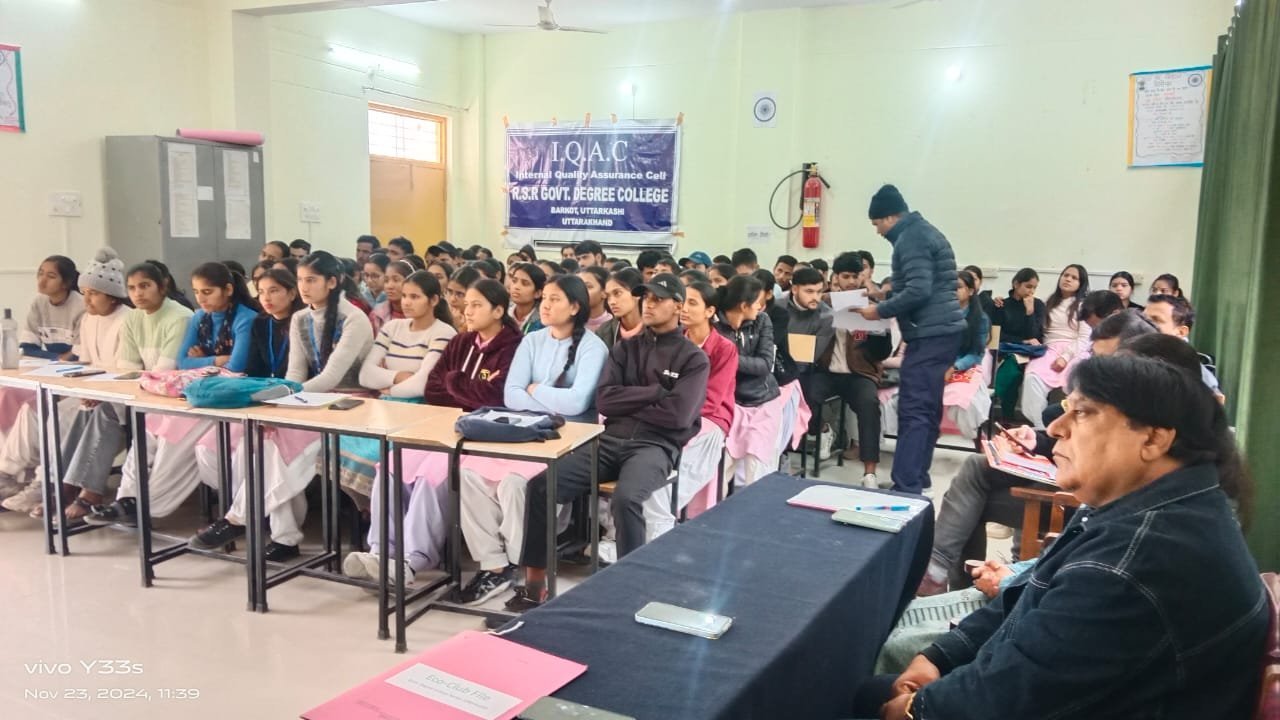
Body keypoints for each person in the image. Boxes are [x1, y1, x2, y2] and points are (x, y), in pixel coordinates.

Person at [861, 353, 1265, 720]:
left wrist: (917, 710)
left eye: (1083, 413)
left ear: (1154, 439)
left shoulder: (1139, 561)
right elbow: (1026, 596)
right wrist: (940, 656)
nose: (1055, 428)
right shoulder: (1135, 505)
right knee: (868, 689)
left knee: (852, 691)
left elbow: (1011, 696)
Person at [918, 310, 1157, 594]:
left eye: (1106, 360)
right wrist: (1036, 440)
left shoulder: (1139, 417)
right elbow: (1059, 425)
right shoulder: (1105, 394)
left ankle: (955, 582)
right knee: (975, 472)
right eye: (1094, 357)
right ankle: (949, 578)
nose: (1097, 368)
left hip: (1077, 502)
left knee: (971, 500)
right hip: (1064, 482)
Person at [511, 273, 710, 611]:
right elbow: (606, 402)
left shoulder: (693, 358)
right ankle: (534, 587)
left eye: (658, 299)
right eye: (646, 298)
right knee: (541, 486)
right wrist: (655, 392)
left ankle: (629, 593)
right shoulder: (624, 349)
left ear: (678, 306)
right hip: (610, 439)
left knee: (626, 498)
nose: (648, 305)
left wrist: (630, 400)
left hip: (655, 446)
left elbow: (678, 416)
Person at [188, 251, 373, 561]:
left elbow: (331, 377)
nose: (304, 287)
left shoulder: (354, 319)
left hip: (351, 403)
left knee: (278, 447)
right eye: (300, 280)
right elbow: (296, 373)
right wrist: (283, 401)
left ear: (332, 282)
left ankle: (240, 519)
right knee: (264, 442)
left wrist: (286, 397)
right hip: (311, 399)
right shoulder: (301, 318)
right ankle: (284, 537)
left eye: (311, 280)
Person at [452, 276, 608, 604]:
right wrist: (547, 401)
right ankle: (493, 565)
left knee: (514, 482)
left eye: (555, 299)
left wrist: (535, 391)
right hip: (523, 431)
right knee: (468, 474)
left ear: (575, 307)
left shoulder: (593, 348)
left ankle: (522, 563)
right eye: (544, 298)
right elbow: (511, 395)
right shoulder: (532, 340)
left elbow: (577, 403)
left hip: (568, 437)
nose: (545, 306)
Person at [88, 262, 258, 526]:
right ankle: (126, 497)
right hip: (194, 393)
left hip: (228, 399)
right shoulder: (199, 317)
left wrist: (204, 359)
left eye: (208, 292)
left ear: (228, 290)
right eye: (197, 292)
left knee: (173, 440)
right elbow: (183, 361)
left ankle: (146, 506)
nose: (201, 299)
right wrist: (217, 359)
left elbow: (236, 366)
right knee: (149, 429)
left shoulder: (245, 318)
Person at [39, 262, 192, 522]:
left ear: (162, 286)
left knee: (104, 411)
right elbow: (127, 368)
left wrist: (115, 393)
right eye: (132, 288)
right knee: (88, 409)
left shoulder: (180, 317)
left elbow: (165, 372)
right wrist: (108, 393)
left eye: (144, 286)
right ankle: (66, 484)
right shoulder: (134, 317)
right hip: (140, 391)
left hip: (170, 397)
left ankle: (84, 490)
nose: (138, 293)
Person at [0, 249, 127, 512]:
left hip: (112, 396)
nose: (86, 300)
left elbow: (125, 370)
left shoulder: (126, 320)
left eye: (93, 294)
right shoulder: (91, 319)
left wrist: (94, 392)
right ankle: (10, 475)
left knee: (58, 418)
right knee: (33, 410)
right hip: (89, 390)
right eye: (86, 293)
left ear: (112, 296)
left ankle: (47, 484)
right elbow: (86, 363)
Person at [859, 185, 965, 494]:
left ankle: (906, 486)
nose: (878, 231)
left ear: (890, 217)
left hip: (930, 333)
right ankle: (918, 477)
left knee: (914, 409)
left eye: (877, 224)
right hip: (944, 331)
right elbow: (924, 282)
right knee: (927, 407)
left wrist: (878, 311)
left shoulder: (910, 238)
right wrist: (888, 293)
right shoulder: (923, 231)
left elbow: (919, 290)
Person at [823, 252, 892, 486]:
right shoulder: (824, 303)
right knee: (803, 393)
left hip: (860, 373)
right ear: (836, 277)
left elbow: (882, 353)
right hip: (827, 371)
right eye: (846, 276)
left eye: (856, 276)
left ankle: (869, 472)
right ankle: (823, 431)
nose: (851, 281)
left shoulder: (873, 308)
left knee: (869, 405)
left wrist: (878, 330)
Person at [716, 275, 784, 487]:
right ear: (743, 305)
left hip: (763, 400)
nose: (760, 306)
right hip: (729, 403)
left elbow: (765, 364)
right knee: (721, 471)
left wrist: (727, 358)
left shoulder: (762, 321)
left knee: (758, 469)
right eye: (757, 302)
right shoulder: (714, 326)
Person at [1021, 264, 1090, 429]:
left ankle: (1070, 429)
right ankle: (1041, 428)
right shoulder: (1048, 302)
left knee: (1078, 382)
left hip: (1075, 351)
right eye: (1066, 275)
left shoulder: (1084, 305)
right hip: (1049, 349)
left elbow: (1085, 337)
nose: (1068, 279)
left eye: (1074, 278)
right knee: (1032, 378)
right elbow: (1038, 331)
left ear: (1081, 284)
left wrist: (1065, 357)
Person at [787, 267, 836, 446]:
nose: (815, 297)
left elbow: (810, 355)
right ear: (794, 289)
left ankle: (812, 433)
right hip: (773, 363)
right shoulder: (777, 305)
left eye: (819, 291)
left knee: (805, 390)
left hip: (806, 369)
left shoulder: (827, 316)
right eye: (809, 291)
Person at [1143, 294, 1224, 400]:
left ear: (1181, 332)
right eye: (1143, 318)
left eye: (1156, 320)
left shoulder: (1197, 375)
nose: (1144, 324)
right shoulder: (1133, 354)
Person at [992, 267, 1045, 421]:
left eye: (1034, 288)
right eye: (1028, 286)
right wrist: (1021, 341)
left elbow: (1036, 336)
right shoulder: (1002, 304)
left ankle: (997, 400)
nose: (1031, 291)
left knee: (1013, 368)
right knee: (1012, 368)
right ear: (1016, 284)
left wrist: (1029, 312)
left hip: (1029, 352)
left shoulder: (1038, 305)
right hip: (1008, 348)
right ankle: (1006, 416)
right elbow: (997, 334)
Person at [19, 255, 85, 360]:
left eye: (51, 276)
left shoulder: (81, 306)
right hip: (54, 365)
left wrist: (54, 358)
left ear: (66, 283)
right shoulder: (39, 302)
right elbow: (27, 348)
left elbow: (79, 353)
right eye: (41, 274)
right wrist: (58, 358)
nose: (42, 281)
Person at [244, 267, 303, 379]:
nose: (266, 298)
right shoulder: (260, 323)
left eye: (273, 291)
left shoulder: (303, 322)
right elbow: (253, 367)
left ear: (292, 293)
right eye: (261, 292)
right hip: (267, 385)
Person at [754, 269, 797, 386]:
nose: (750, 297)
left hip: (774, 366)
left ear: (768, 294)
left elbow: (770, 342)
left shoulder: (779, 314)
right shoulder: (742, 309)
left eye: (756, 293)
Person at [595, 267, 644, 350]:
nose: (611, 302)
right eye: (608, 296)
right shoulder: (604, 331)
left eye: (617, 293)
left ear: (637, 294)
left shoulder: (655, 329)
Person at [371, 259, 413, 334]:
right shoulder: (377, 314)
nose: (389, 286)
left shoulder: (421, 314)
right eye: (386, 281)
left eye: (396, 280)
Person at [508, 263, 546, 335]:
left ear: (537, 293)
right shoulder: (503, 312)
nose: (516, 287)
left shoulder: (543, 321)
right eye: (514, 281)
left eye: (525, 283)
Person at [577, 265, 612, 332]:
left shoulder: (616, 327)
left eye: (588, 286)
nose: (580, 291)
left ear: (604, 292)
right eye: (577, 286)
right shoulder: (567, 324)